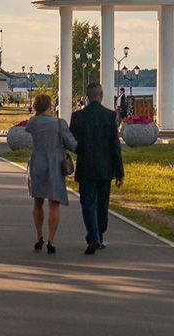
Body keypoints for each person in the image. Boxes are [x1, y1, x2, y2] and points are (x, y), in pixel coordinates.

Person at [69, 83, 124, 255]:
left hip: (85, 167)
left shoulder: (77, 117)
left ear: (87, 96)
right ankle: (99, 236)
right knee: (102, 203)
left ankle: (93, 237)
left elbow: (73, 143)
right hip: (105, 168)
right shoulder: (110, 116)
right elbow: (115, 146)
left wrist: (81, 150)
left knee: (88, 203)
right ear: (101, 95)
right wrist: (119, 172)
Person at [25, 93, 78, 254]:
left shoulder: (32, 122)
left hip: (37, 163)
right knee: (54, 204)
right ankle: (51, 240)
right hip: (54, 164)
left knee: (37, 201)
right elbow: (72, 144)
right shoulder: (59, 123)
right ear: (50, 106)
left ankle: (39, 236)